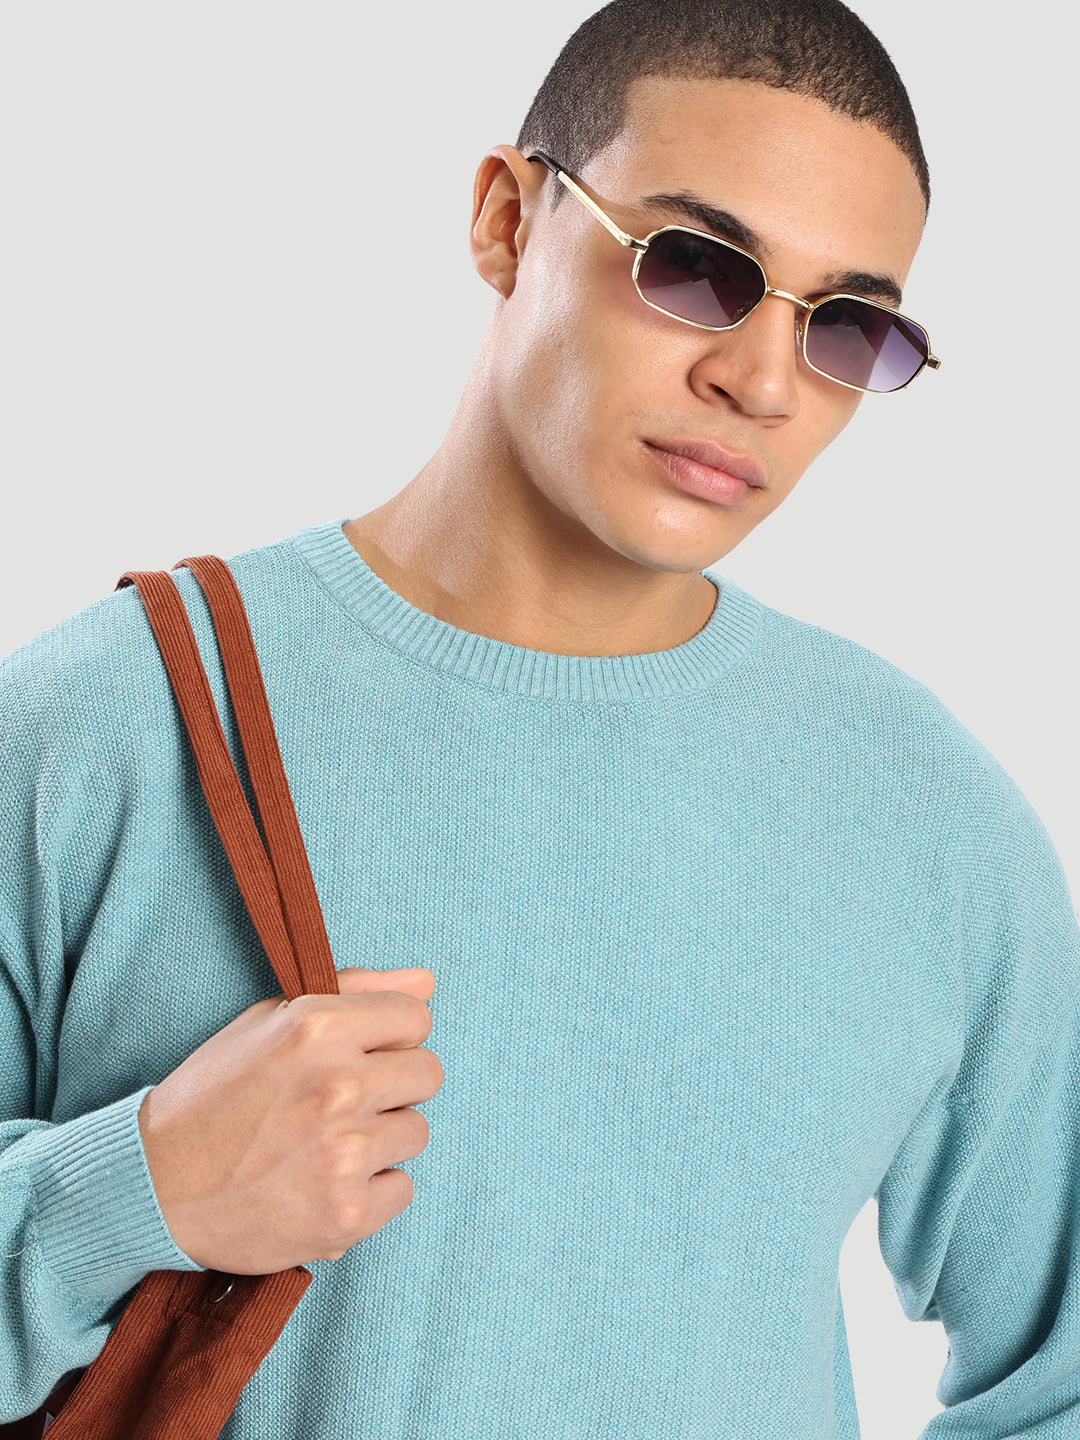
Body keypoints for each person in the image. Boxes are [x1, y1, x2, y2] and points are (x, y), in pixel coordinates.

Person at [1, 0, 1077, 1435]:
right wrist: (132, 1191)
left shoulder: (925, 811)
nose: (761, 382)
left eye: (846, 326)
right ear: (508, 221)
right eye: (696, 268)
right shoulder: (98, 726)